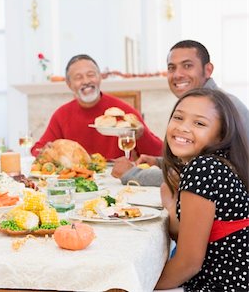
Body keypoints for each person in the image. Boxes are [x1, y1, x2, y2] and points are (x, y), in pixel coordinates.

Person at [113, 40, 249, 186]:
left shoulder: (224, 107)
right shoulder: (198, 103)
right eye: (172, 68)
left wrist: (132, 174)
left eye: (187, 66)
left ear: (208, 70)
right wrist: (160, 162)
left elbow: (199, 177)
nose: (177, 74)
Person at [155, 88, 248, 291]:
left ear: (220, 136)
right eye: (178, 118)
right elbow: (193, 235)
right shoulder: (220, 165)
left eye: (199, 123)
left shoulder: (203, 169)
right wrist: (171, 204)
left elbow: (189, 264)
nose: (184, 128)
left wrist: (141, 285)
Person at [31, 54, 163, 160]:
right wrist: (46, 150)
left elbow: (159, 153)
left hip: (118, 181)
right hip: (78, 181)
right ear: (69, 84)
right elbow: (37, 149)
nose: (86, 81)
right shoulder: (62, 114)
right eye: (78, 77)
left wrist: (142, 135)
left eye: (91, 75)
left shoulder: (122, 112)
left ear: (100, 77)